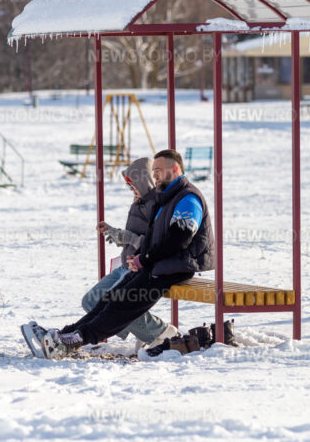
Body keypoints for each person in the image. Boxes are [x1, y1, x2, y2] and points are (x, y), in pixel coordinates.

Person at [38, 149, 215, 359]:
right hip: (157, 265)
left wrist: (145, 258)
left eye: (158, 170)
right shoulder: (167, 199)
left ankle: (77, 339)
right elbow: (155, 239)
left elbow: (178, 240)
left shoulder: (188, 198)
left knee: (123, 303)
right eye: (153, 170)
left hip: (174, 267)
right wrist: (141, 259)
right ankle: (68, 333)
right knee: (111, 298)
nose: (155, 174)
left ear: (175, 169)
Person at [87, 157, 179, 350]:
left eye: (133, 185)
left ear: (144, 180)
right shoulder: (138, 203)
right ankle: (149, 332)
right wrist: (116, 233)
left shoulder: (158, 204)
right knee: (91, 300)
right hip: (126, 264)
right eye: (129, 187)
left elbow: (157, 242)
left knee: (114, 304)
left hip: (141, 267)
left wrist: (129, 238)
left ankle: (160, 333)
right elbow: (135, 237)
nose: (132, 190)